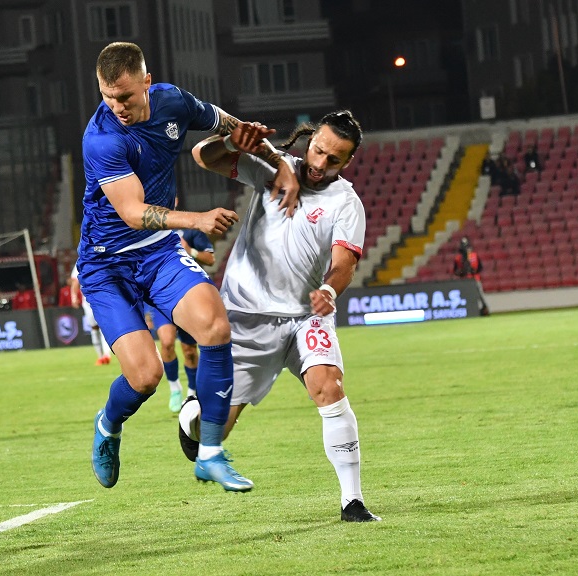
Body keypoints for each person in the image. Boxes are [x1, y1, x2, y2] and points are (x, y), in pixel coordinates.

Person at [79, 41, 298, 492]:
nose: (117, 106)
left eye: (125, 96)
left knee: (215, 326)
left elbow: (226, 124)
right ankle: (108, 425)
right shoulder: (101, 138)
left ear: (147, 82)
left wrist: (274, 158)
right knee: (145, 377)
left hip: (158, 252)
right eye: (107, 96)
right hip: (106, 265)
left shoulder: (173, 102)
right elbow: (132, 213)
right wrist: (196, 220)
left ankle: (210, 454)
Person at [180, 109, 381, 522]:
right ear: (311, 140)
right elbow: (203, 156)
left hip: (307, 316)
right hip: (248, 316)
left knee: (329, 387)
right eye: (318, 150)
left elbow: (344, 264)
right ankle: (193, 411)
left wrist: (328, 290)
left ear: (348, 161)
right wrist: (231, 142)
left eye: (334, 159)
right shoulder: (275, 167)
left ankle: (353, 501)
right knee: (209, 434)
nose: (321, 163)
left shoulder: (347, 203)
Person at [151, 226, 216, 413]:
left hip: (187, 295)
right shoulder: (152, 228)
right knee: (167, 343)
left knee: (189, 351)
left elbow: (210, 259)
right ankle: (175, 388)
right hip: (160, 295)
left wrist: (190, 251)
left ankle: (192, 393)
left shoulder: (191, 229)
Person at [69, 264, 111, 365]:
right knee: (94, 327)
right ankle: (101, 356)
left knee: (102, 326)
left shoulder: (100, 259)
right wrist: (74, 297)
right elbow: (75, 281)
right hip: (88, 301)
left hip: (101, 298)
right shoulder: (80, 262)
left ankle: (106, 355)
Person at [453, 237, 489, 316]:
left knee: (479, 295)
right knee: (466, 296)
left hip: (475, 279)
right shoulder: (458, 258)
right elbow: (455, 271)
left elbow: (480, 268)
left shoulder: (474, 256)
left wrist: (474, 271)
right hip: (464, 280)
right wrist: (462, 272)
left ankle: (484, 309)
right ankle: (469, 311)